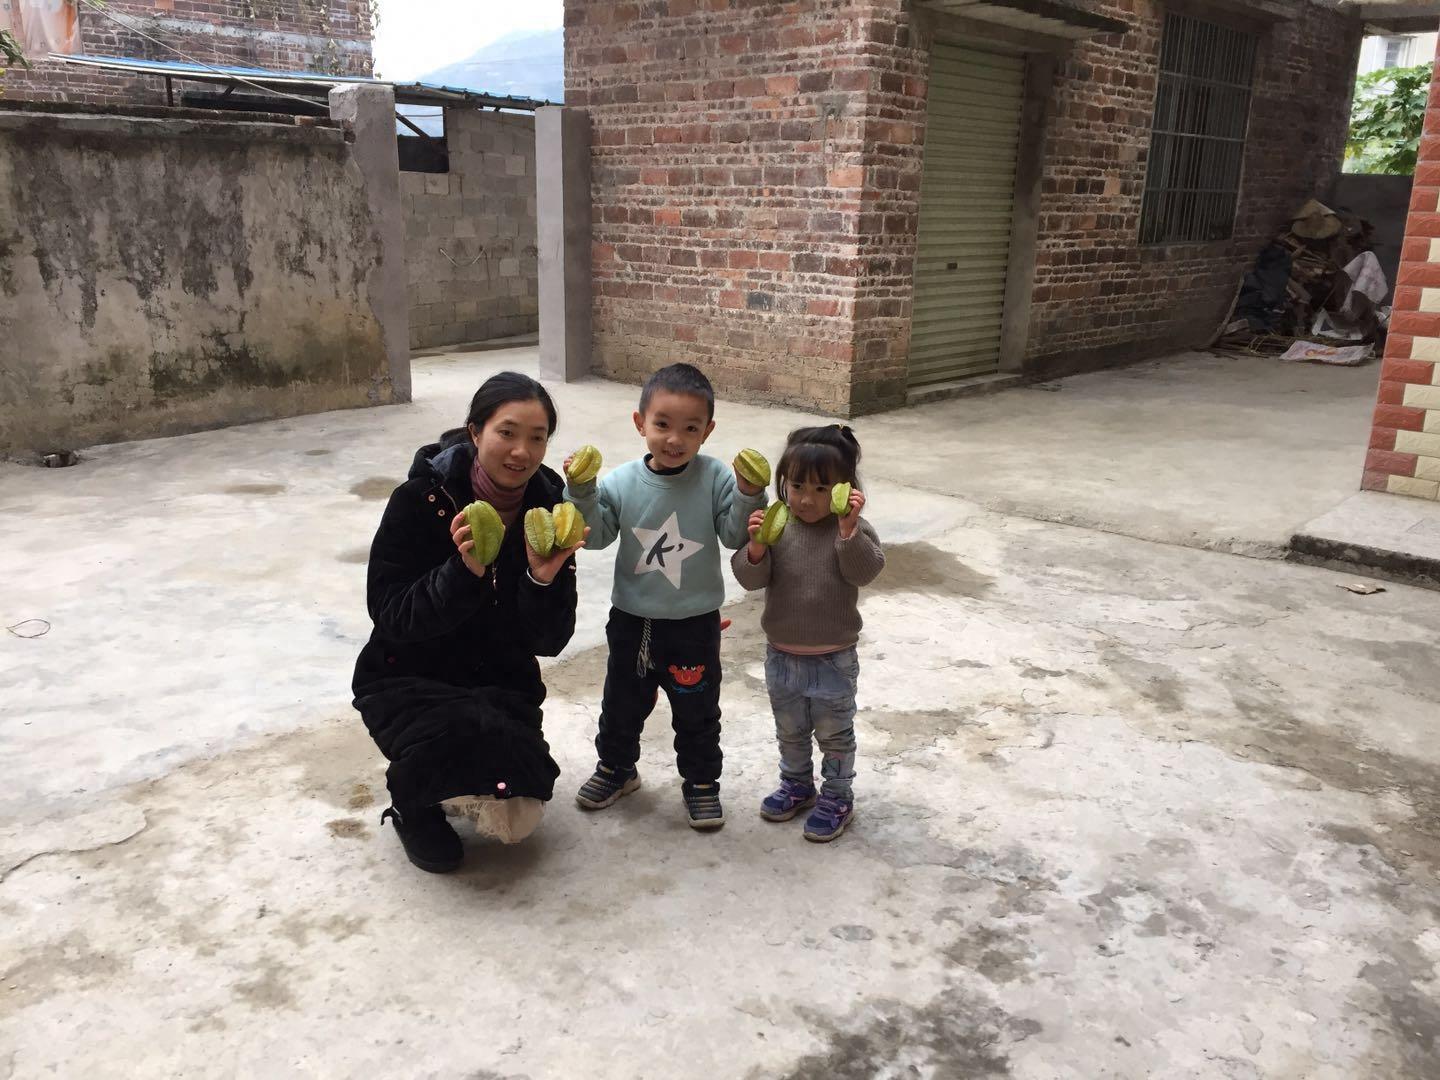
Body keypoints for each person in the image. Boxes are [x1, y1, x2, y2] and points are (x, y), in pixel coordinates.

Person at [352, 372, 585, 873]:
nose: (521, 451)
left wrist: (542, 580)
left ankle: (451, 778)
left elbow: (551, 640)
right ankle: (413, 804)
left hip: (499, 681)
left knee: (517, 815)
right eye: (507, 432)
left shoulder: (550, 513)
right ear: (475, 432)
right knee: (444, 752)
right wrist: (462, 573)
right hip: (409, 676)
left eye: (537, 437)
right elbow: (390, 613)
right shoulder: (420, 501)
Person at [564, 363, 766, 829]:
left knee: (696, 710)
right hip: (632, 618)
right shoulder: (618, 482)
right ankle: (616, 769)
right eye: (662, 425)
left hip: (694, 623)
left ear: (707, 431)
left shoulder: (717, 479)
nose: (674, 439)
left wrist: (750, 495)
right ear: (640, 424)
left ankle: (701, 784)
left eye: (690, 428)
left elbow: (736, 534)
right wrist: (580, 490)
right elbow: (595, 537)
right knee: (620, 703)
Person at [730, 425, 884, 843]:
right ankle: (797, 785)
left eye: (821, 488)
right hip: (781, 657)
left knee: (835, 734)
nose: (805, 498)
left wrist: (849, 532)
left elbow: (865, 572)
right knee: (790, 730)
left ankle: (837, 796)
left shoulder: (851, 529)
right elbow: (748, 579)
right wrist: (756, 548)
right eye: (796, 485)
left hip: (834, 659)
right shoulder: (778, 528)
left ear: (845, 490)